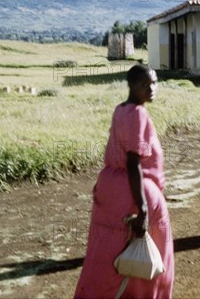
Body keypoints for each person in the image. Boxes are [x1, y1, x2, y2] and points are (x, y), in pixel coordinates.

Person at [74, 64, 174, 299]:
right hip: (133, 191)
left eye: (154, 83)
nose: (151, 88)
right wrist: (143, 209)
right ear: (131, 85)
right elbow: (132, 161)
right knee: (154, 255)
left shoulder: (121, 109)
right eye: (144, 84)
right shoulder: (138, 113)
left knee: (106, 253)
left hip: (110, 189)